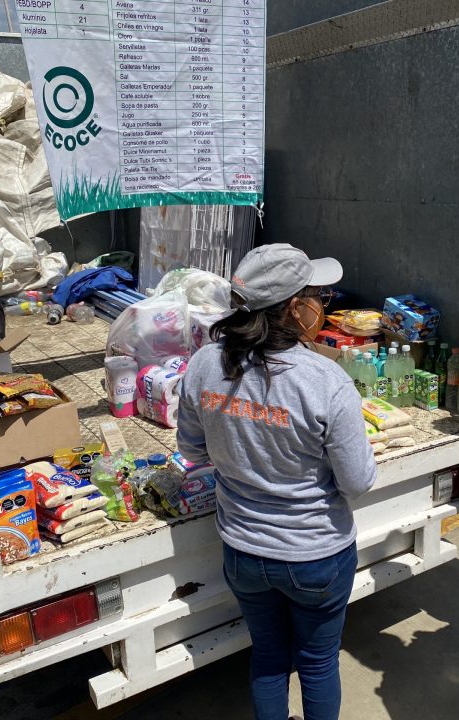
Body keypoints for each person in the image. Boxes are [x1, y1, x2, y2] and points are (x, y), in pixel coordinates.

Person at [177, 243, 377, 720]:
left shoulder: (206, 363)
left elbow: (191, 450)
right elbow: (358, 481)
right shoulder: (325, 380)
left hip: (244, 550)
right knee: (317, 662)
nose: (321, 305)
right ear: (294, 306)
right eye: (318, 296)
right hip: (315, 555)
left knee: (268, 658)